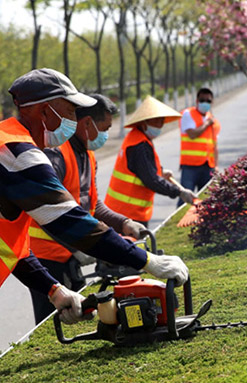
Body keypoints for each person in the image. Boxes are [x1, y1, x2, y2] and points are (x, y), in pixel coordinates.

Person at [0, 68, 188, 325]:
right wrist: (146, 260)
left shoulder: (14, 145)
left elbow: (11, 249)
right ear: (45, 111)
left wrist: (53, 290)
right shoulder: (15, 151)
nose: (73, 121)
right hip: (56, 253)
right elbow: (69, 219)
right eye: (68, 112)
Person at [28, 94, 149, 324]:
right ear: (86, 124)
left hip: (72, 253)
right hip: (47, 258)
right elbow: (45, 210)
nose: (106, 135)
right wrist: (77, 248)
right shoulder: (55, 155)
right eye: (105, 128)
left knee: (80, 314)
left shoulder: (88, 155)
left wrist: (123, 223)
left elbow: (93, 205)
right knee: (50, 322)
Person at [104, 95, 196, 226]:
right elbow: (150, 180)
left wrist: (161, 171)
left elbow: (142, 168)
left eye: (162, 121)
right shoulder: (139, 145)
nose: (160, 125)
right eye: (156, 121)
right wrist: (179, 192)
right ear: (144, 122)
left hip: (123, 212)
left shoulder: (137, 138)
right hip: (127, 214)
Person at [178, 88, 221, 206]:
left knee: (206, 199)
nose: (205, 103)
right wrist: (207, 124)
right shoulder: (188, 114)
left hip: (207, 166)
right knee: (185, 199)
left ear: (212, 102)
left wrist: (216, 166)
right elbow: (192, 135)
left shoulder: (213, 120)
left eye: (208, 101)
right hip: (190, 166)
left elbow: (215, 145)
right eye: (202, 100)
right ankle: (179, 222)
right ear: (197, 101)